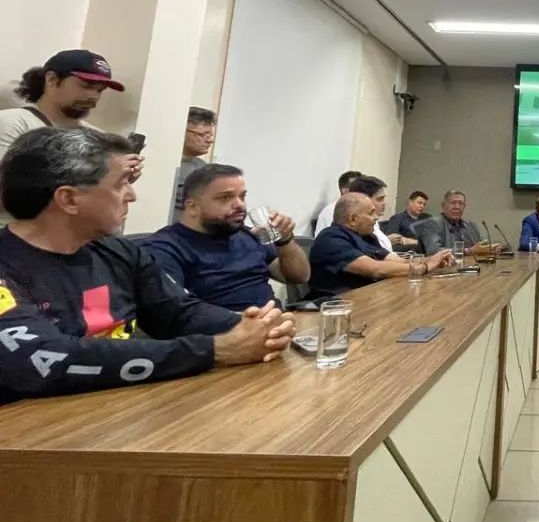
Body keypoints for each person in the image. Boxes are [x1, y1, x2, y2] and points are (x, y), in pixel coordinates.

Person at [0, 129, 295, 403]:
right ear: (69, 198)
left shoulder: (118, 251)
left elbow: (179, 311)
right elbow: (41, 358)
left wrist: (258, 329)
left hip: (113, 413)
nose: (132, 194)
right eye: (120, 184)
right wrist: (215, 350)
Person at [143, 164, 310, 312]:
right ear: (192, 207)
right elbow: (173, 312)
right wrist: (249, 322)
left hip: (274, 326)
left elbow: (298, 277)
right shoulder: (165, 247)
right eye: (225, 197)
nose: (240, 205)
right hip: (222, 339)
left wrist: (285, 241)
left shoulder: (247, 234)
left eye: (242, 196)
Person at [0, 50, 138, 224]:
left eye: (100, 90)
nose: (93, 96)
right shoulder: (12, 122)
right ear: (51, 80)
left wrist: (117, 180)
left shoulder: (99, 138)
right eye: (86, 85)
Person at [306, 193, 454, 299]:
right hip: (338, 307)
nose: (376, 218)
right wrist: (424, 268)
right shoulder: (331, 238)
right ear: (352, 219)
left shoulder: (367, 237)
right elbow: (375, 269)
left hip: (370, 299)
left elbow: (399, 262)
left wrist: (432, 260)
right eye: (371, 214)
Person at [316, 175, 394, 251]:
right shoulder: (336, 216)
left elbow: (383, 255)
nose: (385, 203)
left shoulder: (370, 223)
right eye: (380, 199)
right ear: (364, 199)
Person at [171, 107, 216, 223]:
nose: (209, 140)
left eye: (210, 135)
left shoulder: (205, 169)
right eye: (203, 135)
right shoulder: (162, 163)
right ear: (183, 131)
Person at [421, 190, 491, 256]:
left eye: (461, 203)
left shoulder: (471, 226)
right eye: (453, 203)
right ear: (443, 206)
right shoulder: (433, 223)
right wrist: (467, 251)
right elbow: (433, 251)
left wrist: (490, 248)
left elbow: (479, 247)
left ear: (464, 206)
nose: (457, 207)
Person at [312, 170, 363, 235]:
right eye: (358, 188)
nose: (363, 192)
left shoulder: (363, 209)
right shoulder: (333, 211)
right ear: (345, 191)